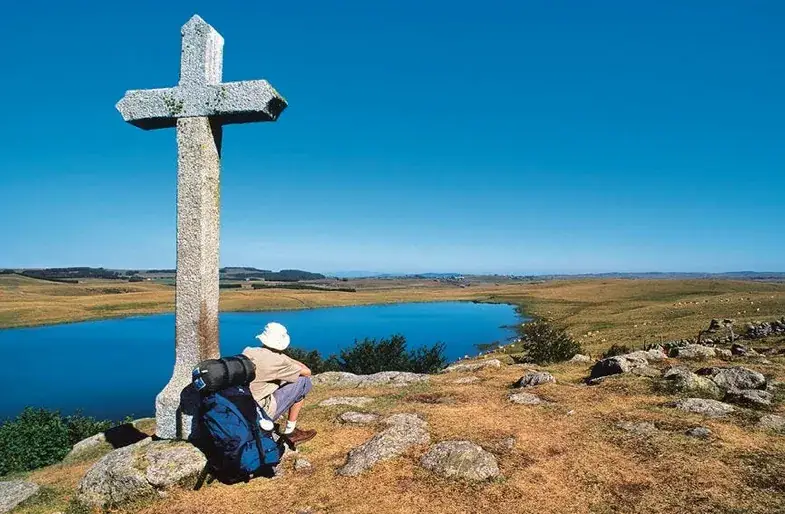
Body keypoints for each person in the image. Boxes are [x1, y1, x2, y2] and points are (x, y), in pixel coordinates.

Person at [242, 322, 317, 446]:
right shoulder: (278, 360)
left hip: (242, 407)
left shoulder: (248, 351)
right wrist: (284, 357)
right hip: (260, 413)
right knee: (303, 381)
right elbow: (307, 372)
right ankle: (290, 431)